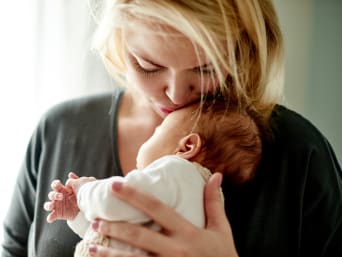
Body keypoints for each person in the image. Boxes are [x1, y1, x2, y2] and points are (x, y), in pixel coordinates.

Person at [2, 0, 342, 257]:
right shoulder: (58, 129)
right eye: (148, 66)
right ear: (119, 43)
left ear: (243, 51)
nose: (176, 95)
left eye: (205, 68)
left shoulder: (299, 154)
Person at [43, 101, 261, 257]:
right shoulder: (201, 200)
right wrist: (78, 215)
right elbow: (114, 233)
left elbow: (113, 200)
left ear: (186, 147)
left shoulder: (177, 170)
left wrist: (84, 191)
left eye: (159, 130)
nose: (152, 133)